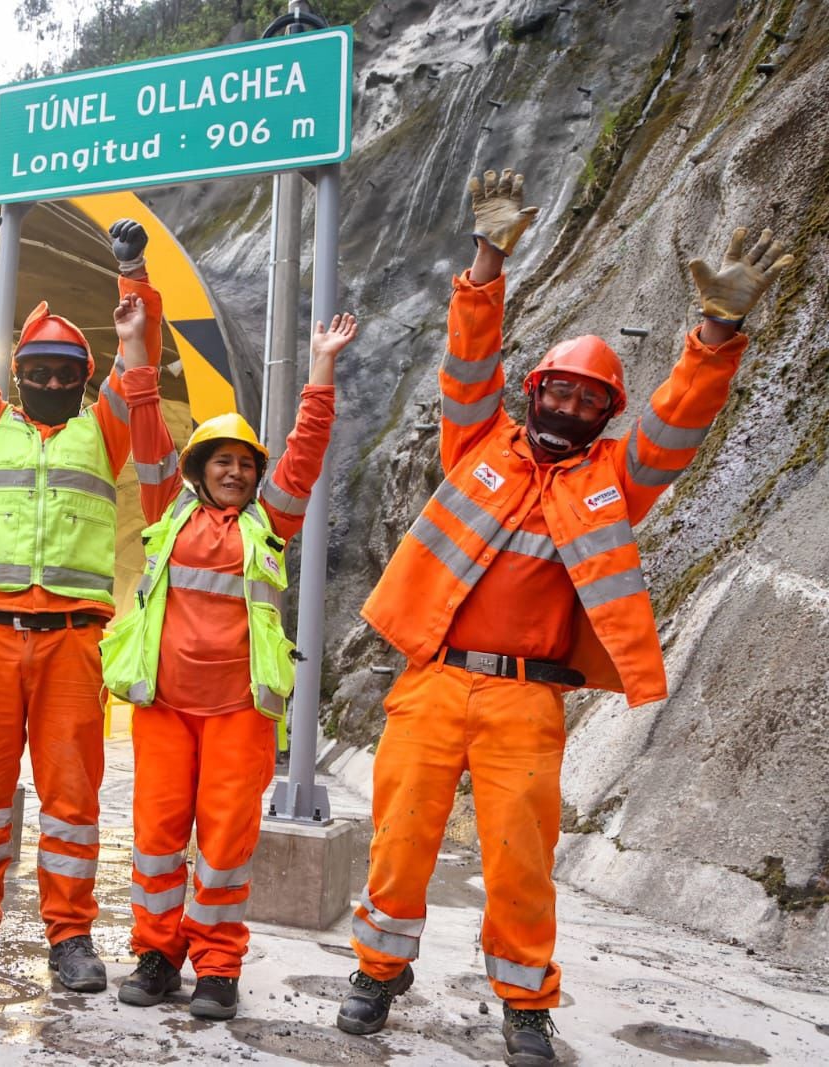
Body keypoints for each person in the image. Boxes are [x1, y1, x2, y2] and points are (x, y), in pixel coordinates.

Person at [336, 169, 795, 1065]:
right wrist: (490, 253)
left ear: (601, 416)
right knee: (397, 842)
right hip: (433, 681)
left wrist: (716, 333)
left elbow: (676, 423)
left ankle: (524, 1003)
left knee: (518, 860)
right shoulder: (477, 442)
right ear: (535, 391)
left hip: (526, 703)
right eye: (562, 393)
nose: (574, 408)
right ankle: (377, 970)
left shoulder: (612, 483)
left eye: (591, 403)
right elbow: (467, 359)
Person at [0, 211, 163, 992]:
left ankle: (71, 935)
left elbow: (140, 364)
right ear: (18, 374)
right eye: (39, 369)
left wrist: (132, 279)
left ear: (85, 379)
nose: (51, 381)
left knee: (71, 796)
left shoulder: (106, 429)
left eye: (65, 371)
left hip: (72, 642)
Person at [104, 294, 348, 1020]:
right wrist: (134, 349)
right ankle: (155, 954)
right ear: (200, 468)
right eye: (224, 462)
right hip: (165, 707)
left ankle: (216, 965)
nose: (236, 473)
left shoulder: (271, 522)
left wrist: (321, 370)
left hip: (240, 712)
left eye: (246, 463)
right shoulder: (163, 509)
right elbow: (146, 428)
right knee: (155, 839)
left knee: (225, 844)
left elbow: (305, 451)